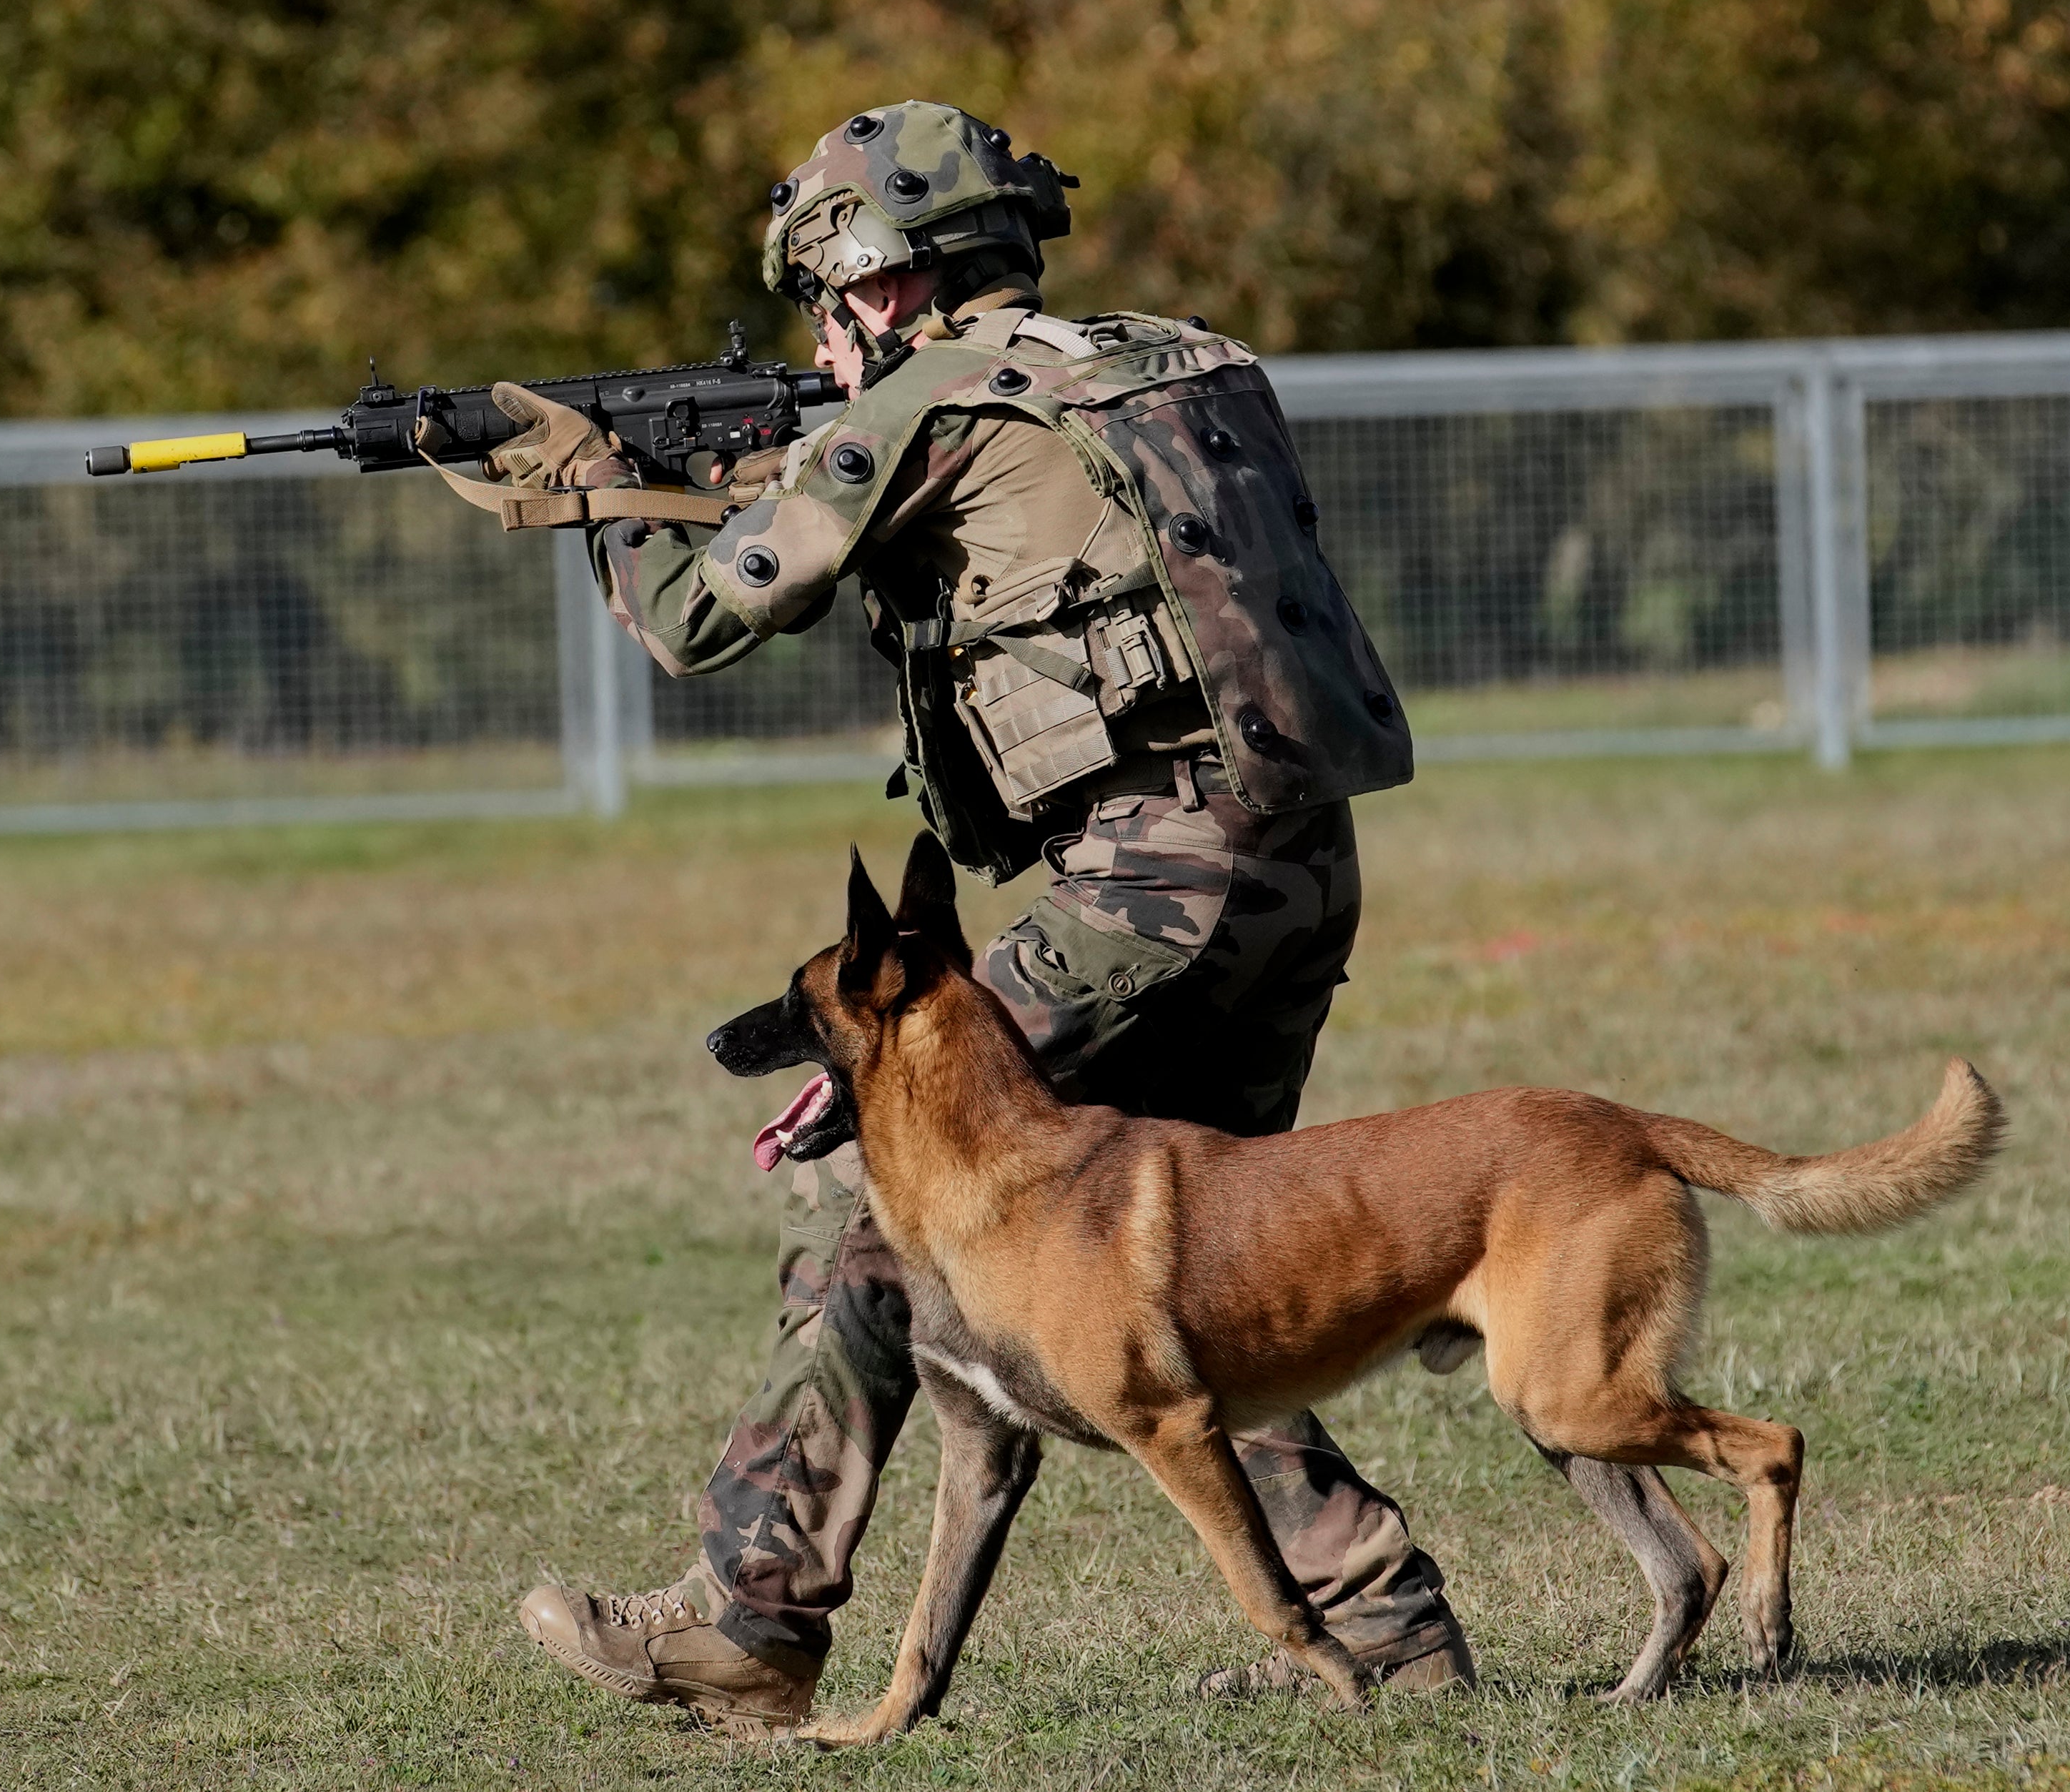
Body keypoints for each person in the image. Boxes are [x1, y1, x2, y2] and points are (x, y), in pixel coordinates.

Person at [475, 102, 1473, 1726]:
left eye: (827, 295)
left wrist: (597, 500)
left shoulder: (933, 396)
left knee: (878, 1222)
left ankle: (751, 1614)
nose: (822, 330)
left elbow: (695, 628)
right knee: (1164, 1285)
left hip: (1142, 880)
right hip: (1295, 864)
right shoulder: (1177, 358)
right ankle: (1382, 1624)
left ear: (873, 280)